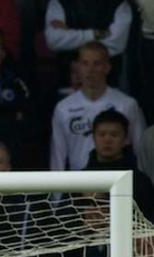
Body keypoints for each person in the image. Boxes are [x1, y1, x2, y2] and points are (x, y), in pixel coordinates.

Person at [50, 41, 145, 171]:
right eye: (85, 63)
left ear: (107, 67)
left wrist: (141, 181)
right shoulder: (63, 108)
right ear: (78, 67)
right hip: (79, 180)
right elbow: (57, 156)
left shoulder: (127, 104)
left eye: (97, 63)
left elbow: (141, 151)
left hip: (117, 177)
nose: (90, 70)